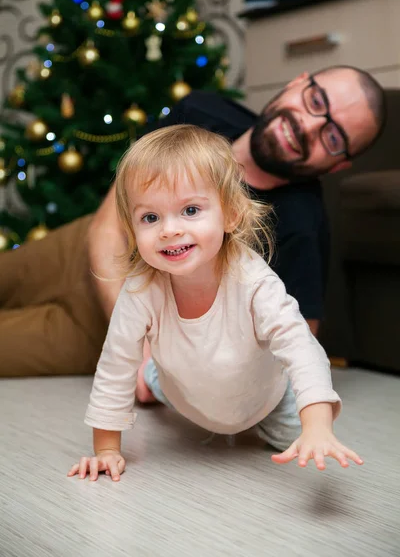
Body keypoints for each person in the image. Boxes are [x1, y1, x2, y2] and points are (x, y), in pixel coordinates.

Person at [0, 65, 386, 377]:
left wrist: (150, 360)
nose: (309, 125)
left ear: (340, 164)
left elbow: (300, 348)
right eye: (315, 100)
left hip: (106, 331)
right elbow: (108, 223)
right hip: (83, 246)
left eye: (333, 138)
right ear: (298, 82)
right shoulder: (200, 113)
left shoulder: (300, 223)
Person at [67, 124, 363, 482]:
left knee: (307, 437)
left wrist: (316, 427)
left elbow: (302, 348)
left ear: (231, 213)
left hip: (266, 400)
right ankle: (153, 376)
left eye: (190, 210)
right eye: (150, 217)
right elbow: (115, 365)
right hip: (183, 391)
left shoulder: (254, 282)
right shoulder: (140, 289)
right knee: (150, 380)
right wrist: (107, 450)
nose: (169, 230)